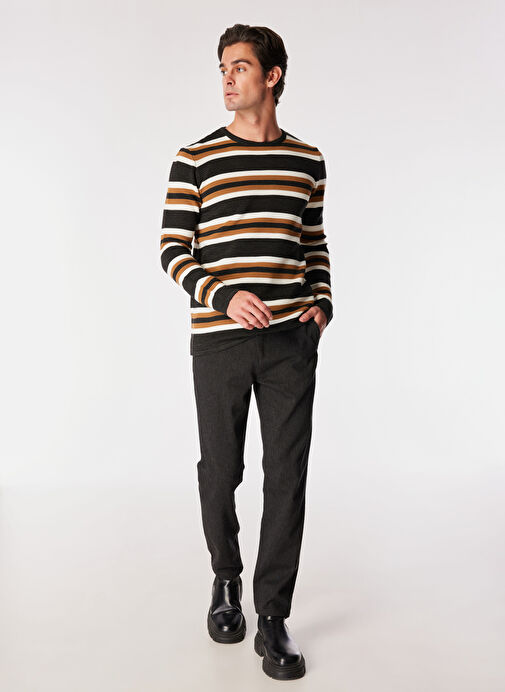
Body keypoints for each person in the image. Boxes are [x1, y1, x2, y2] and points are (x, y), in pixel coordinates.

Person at [160, 23, 333, 681]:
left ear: (272, 75)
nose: (227, 78)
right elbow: (172, 249)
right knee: (221, 470)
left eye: (239, 66)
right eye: (223, 68)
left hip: (291, 341)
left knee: (287, 477)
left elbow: (313, 241)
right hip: (219, 340)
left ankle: (272, 616)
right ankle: (226, 579)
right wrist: (224, 296)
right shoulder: (195, 158)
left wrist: (322, 302)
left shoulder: (307, 159)